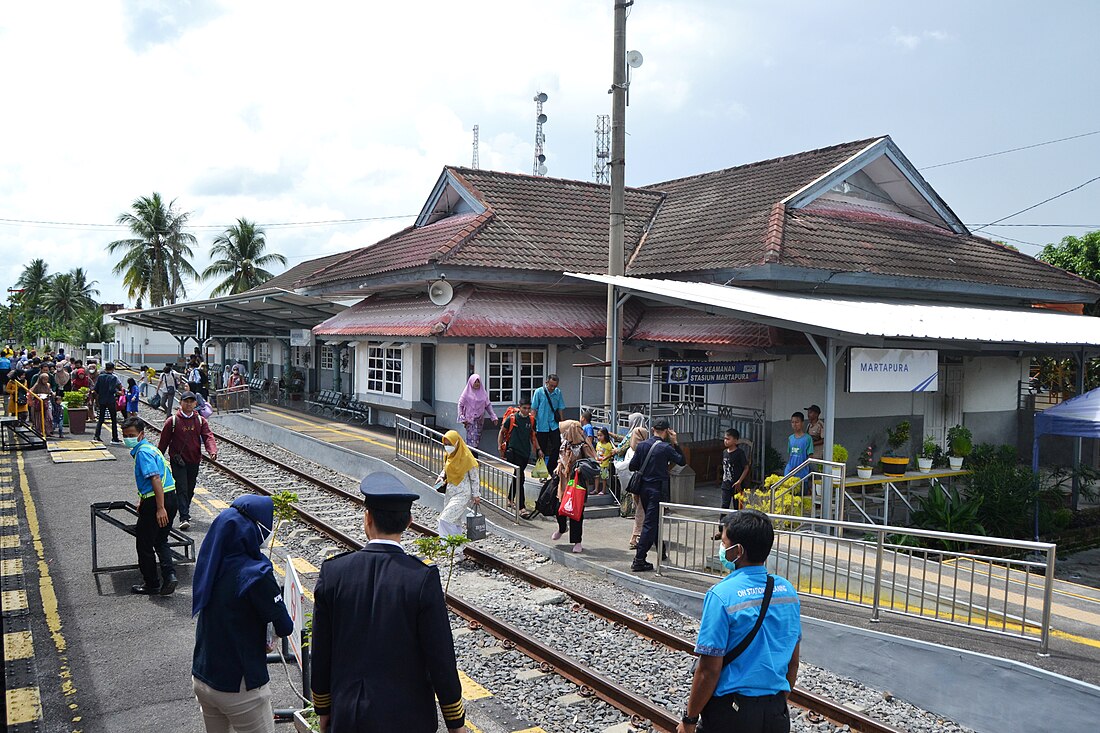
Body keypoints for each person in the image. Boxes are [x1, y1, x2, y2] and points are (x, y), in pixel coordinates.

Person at [311, 473, 468, 733]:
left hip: (349, 715)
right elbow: (440, 657)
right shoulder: (422, 578)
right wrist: (455, 721)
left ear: (368, 519)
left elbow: (322, 650)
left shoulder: (334, 573)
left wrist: (324, 709)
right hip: (408, 718)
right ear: (409, 522)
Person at [676, 510, 801, 733]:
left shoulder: (722, 595)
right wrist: (776, 702)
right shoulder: (787, 591)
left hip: (731, 714)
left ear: (738, 551)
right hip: (775, 711)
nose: (722, 549)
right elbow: (792, 661)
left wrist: (689, 719)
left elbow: (708, 670)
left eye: (724, 543)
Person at [191, 495, 294, 733]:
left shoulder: (212, 562)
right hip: (239, 687)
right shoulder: (255, 573)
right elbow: (285, 625)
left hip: (204, 675)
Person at [121, 417, 179, 596]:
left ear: (141, 434)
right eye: (125, 435)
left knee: (144, 544)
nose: (128, 438)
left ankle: (151, 583)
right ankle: (169, 576)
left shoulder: (143, 453)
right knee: (160, 539)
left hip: (158, 501)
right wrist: (142, 500)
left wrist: (159, 508)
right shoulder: (151, 448)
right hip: (170, 497)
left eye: (131, 435)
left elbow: (154, 478)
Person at [629, 417, 685, 572]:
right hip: (657, 490)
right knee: (650, 524)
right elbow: (682, 461)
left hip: (643, 489)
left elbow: (633, 465)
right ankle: (639, 560)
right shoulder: (666, 447)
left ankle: (662, 552)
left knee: (653, 521)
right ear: (667, 431)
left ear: (653, 429)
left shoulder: (642, 446)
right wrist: (676, 442)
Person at [158, 392, 218, 532]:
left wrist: (212, 450)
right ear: (181, 403)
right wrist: (158, 458)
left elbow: (208, 436)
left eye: (192, 401)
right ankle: (184, 517)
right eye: (186, 401)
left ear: (196, 404)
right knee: (182, 487)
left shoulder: (200, 421)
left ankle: (184, 508)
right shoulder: (172, 421)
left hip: (194, 459)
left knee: (190, 488)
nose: (189, 404)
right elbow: (163, 442)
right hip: (178, 460)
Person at [552, 420, 596, 553]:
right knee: (558, 508)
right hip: (564, 482)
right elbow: (561, 457)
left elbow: (592, 462)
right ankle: (561, 528)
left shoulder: (584, 446)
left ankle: (577, 541)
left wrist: (581, 468)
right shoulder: (565, 444)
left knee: (576, 514)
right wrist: (559, 465)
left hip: (578, 483)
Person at [436, 430, 480, 561]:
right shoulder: (449, 456)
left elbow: (474, 478)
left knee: (445, 519)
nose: (447, 446)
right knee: (455, 522)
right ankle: (458, 553)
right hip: (450, 492)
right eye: (445, 443)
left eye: (450, 443)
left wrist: (476, 494)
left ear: (457, 442)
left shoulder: (467, 458)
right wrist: (441, 476)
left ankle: (453, 547)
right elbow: (446, 468)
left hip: (463, 494)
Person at [498, 397, 541, 516]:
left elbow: (533, 436)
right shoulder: (512, 419)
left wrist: (538, 449)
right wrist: (500, 447)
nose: (526, 411)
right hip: (513, 451)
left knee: (517, 476)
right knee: (520, 477)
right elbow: (502, 432)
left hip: (525, 452)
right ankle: (521, 507)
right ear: (519, 407)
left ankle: (510, 499)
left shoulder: (531, 420)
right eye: (524, 408)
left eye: (528, 408)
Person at [615, 426, 649, 549]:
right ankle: (635, 537)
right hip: (644, 485)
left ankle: (638, 536)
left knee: (639, 511)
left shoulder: (630, 449)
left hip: (633, 485)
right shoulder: (645, 450)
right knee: (642, 512)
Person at [531, 374, 566, 476]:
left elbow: (560, 408)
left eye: (554, 386)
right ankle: (541, 473)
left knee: (557, 446)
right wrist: (532, 423)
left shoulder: (558, 393)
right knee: (541, 449)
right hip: (541, 424)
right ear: (546, 382)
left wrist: (562, 423)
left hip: (553, 424)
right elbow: (534, 409)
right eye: (551, 385)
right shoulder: (539, 392)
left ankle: (551, 468)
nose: (552, 388)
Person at [456, 373, 498, 449]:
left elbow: (488, 405)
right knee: (472, 440)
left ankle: (473, 457)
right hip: (469, 420)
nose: (477, 384)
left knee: (477, 439)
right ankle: (473, 457)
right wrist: (461, 416)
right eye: (475, 382)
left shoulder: (483, 393)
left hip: (479, 420)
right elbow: (460, 404)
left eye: (478, 382)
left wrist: (493, 417)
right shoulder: (466, 393)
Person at [92, 362, 124, 445]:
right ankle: (114, 438)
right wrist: (118, 392)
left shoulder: (100, 377)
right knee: (113, 419)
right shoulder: (113, 378)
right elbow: (111, 389)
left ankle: (96, 436)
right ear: (113, 369)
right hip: (110, 400)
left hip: (101, 400)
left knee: (101, 419)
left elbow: (96, 389)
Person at [720, 429, 751, 510]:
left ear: (735, 440)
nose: (726, 441)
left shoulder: (740, 453)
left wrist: (739, 481)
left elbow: (746, 467)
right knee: (724, 505)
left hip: (737, 485)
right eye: (725, 439)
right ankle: (722, 521)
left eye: (728, 439)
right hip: (726, 484)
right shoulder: (724, 452)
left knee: (737, 506)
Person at [784, 412, 814, 487]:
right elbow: (790, 455)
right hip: (789, 472)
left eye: (797, 422)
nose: (794, 424)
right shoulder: (790, 438)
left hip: (802, 474)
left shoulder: (808, 439)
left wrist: (798, 468)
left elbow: (810, 457)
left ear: (802, 423)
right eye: (792, 422)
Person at [29, 372, 54, 436]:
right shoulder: (37, 385)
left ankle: (48, 431)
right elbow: (31, 393)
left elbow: (50, 392)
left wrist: (52, 394)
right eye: (44, 379)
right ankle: (39, 431)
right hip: (38, 404)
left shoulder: (48, 385)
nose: (46, 381)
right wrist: (38, 395)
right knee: (39, 418)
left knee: (48, 418)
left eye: (47, 379)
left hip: (46, 403)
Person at [594, 427, 614, 495]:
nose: (599, 437)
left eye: (601, 435)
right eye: (598, 435)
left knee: (604, 478)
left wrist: (606, 457)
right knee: (596, 476)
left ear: (605, 435)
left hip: (604, 464)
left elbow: (611, 453)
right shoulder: (598, 443)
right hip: (598, 463)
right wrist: (596, 458)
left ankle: (603, 490)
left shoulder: (608, 445)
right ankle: (596, 489)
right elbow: (596, 451)